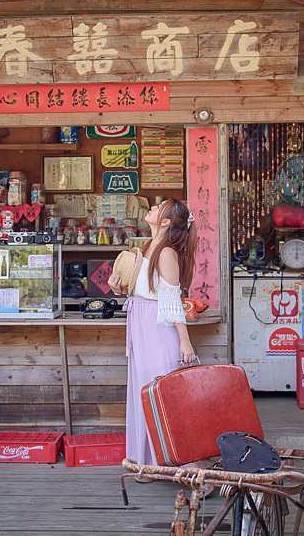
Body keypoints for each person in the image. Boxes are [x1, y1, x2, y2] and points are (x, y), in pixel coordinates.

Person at [109, 198, 198, 466]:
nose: (153, 208)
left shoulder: (167, 252)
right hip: (142, 323)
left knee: (161, 392)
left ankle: (175, 461)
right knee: (144, 391)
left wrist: (185, 342)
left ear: (167, 221)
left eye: (159, 208)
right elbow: (142, 289)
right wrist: (117, 288)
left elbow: (172, 300)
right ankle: (149, 460)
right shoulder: (148, 246)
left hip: (158, 327)